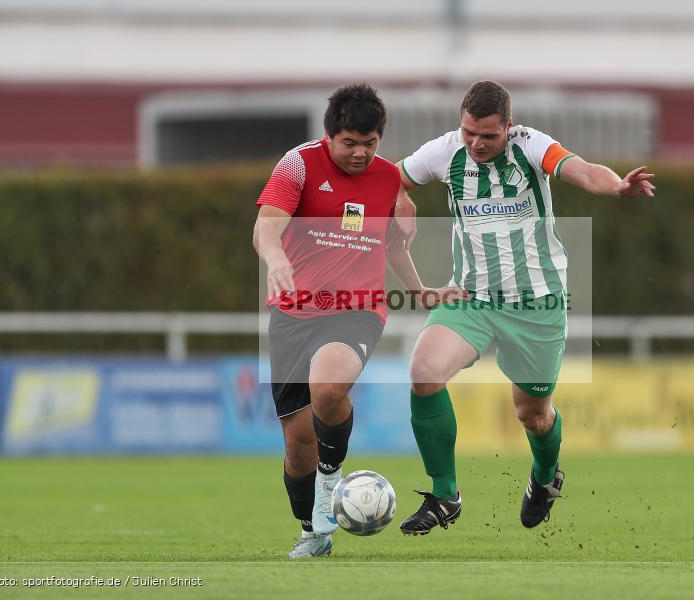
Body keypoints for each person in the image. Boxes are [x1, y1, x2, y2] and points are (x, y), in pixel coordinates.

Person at [393, 80, 655, 534]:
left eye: (488, 136)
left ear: (508, 127)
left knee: (532, 413)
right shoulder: (444, 151)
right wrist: (399, 199)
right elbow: (391, 178)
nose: (476, 143)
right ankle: (444, 495)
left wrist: (615, 187)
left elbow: (582, 169)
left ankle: (544, 478)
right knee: (424, 371)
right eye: (469, 132)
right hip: (471, 297)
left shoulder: (531, 145)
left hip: (537, 302)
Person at [253, 83, 462, 557]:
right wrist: (276, 260)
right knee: (298, 443)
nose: (360, 154)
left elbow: (391, 244)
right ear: (329, 136)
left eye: (370, 144)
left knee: (328, 389)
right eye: (350, 143)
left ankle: (332, 477)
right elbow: (266, 226)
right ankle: (312, 532)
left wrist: (419, 290)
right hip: (292, 314)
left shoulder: (389, 178)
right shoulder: (298, 165)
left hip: (356, 309)